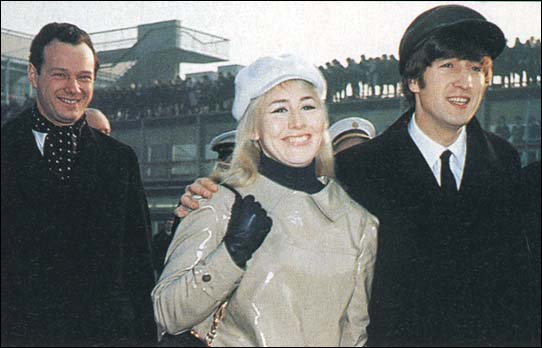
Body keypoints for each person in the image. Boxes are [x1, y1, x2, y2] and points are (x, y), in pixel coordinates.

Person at [178, 5, 534, 346]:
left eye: (476, 69)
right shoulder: (358, 170)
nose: (465, 83)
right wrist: (214, 203)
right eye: (448, 66)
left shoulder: (503, 161)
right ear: (413, 79)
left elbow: (517, 286)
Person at [152, 54, 378, 347]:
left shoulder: (358, 222)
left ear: (322, 120)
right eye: (279, 110)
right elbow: (165, 314)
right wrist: (232, 253)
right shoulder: (219, 201)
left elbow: (354, 335)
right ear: (255, 129)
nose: (297, 122)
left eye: (308, 107)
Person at [1, 23, 156, 346]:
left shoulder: (120, 161)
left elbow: (139, 268)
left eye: (84, 77)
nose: (74, 87)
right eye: (60, 74)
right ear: (33, 75)